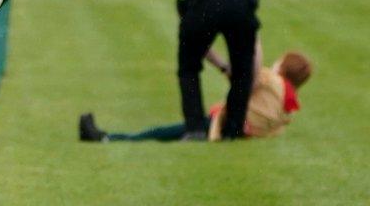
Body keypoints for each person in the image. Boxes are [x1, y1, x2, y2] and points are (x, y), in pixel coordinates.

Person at [79, 51, 312, 143]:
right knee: (171, 132)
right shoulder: (286, 105)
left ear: (281, 68)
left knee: (162, 133)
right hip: (234, 129)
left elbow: (246, 74)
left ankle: (107, 138)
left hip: (220, 126)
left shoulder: (272, 81)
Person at [174, 0, 260, 141]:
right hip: (240, 2)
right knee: (242, 72)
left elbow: (193, 42)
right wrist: (251, 74)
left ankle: (195, 129)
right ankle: (234, 130)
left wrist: (221, 66)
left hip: (203, 1)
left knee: (188, 69)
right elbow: (254, 42)